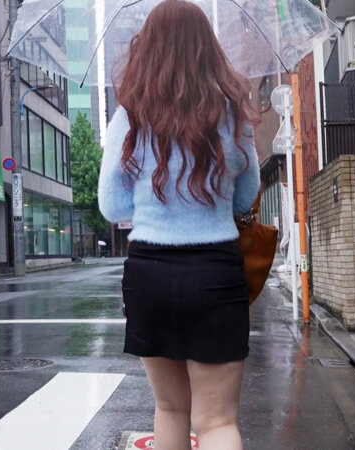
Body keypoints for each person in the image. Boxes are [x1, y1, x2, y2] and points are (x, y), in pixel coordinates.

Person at [98, 1, 260, 449]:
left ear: (147, 49)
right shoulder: (231, 114)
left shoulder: (130, 116)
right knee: (217, 421)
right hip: (215, 271)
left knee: (170, 409)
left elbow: (112, 205)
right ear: (207, 49)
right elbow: (245, 198)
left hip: (149, 272)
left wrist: (155, 197)